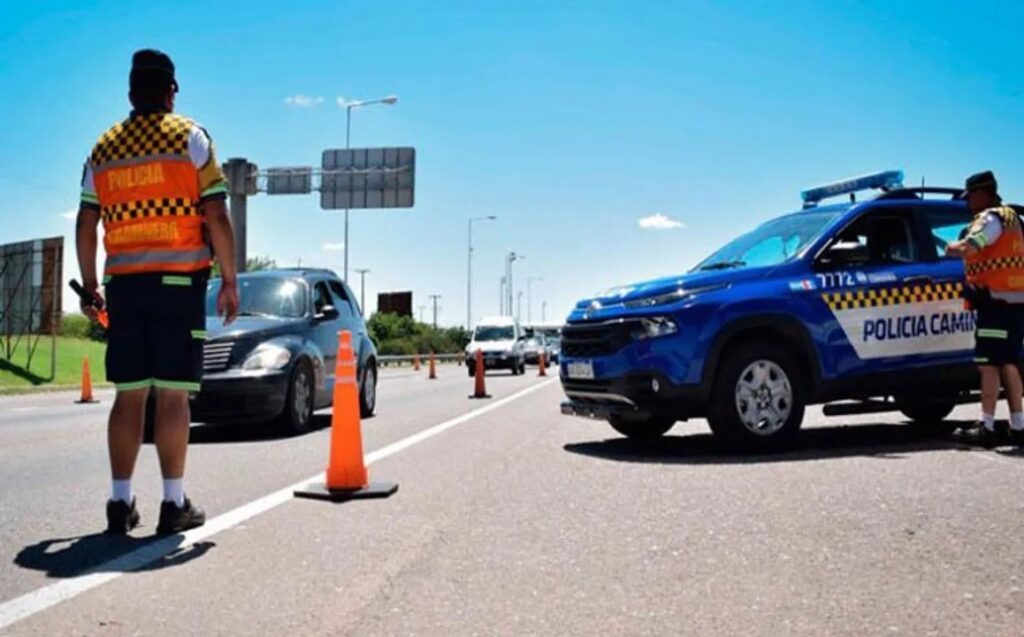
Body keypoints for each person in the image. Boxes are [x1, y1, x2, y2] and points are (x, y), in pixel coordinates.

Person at [76, 49, 239, 534]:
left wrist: (89, 286)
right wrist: (230, 280)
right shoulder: (190, 138)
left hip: (124, 289)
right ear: (172, 91)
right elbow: (216, 214)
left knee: (128, 397)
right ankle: (174, 503)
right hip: (177, 285)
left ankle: (119, 503)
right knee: (172, 397)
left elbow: (87, 222)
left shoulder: (102, 149)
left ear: (130, 94)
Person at [945, 170, 1024, 445]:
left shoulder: (990, 219)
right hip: (1014, 301)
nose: (968, 203)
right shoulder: (1012, 218)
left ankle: (987, 427)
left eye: (970, 197)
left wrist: (951, 247)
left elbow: (972, 247)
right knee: (1009, 363)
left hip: (995, 303)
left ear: (981, 194)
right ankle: (1018, 425)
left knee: (988, 365)